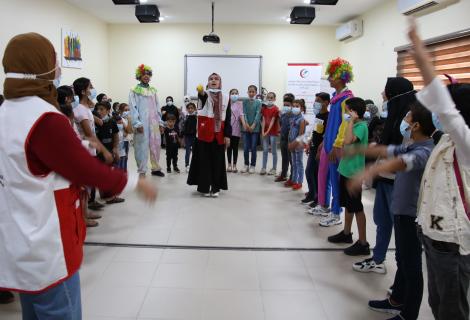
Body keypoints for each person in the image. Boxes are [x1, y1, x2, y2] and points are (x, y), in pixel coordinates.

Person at [0, 32, 157, 320]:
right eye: (52, 60)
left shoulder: (6, 111)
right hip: (48, 246)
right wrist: (134, 182)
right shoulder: (44, 117)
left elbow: (33, 154)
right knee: (60, 310)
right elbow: (82, 169)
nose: (57, 67)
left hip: (18, 242)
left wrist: (81, 144)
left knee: (32, 312)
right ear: (38, 66)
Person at [347, 101, 435, 320]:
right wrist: (358, 149)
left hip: (411, 216)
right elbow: (389, 150)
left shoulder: (425, 151)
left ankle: (408, 313)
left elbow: (402, 163)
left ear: (415, 126)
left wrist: (369, 172)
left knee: (412, 267)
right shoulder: (413, 144)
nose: (403, 121)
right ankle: (396, 300)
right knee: (404, 260)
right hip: (401, 212)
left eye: (407, 118)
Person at [407, 18, 470, 320]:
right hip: (432, 235)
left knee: (451, 309)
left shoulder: (466, 143)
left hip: (452, 242)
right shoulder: (444, 141)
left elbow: (444, 106)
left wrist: (420, 53)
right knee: (436, 302)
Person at [353, 77, 416, 274]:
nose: (382, 95)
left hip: (399, 182)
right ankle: (378, 258)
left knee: (400, 228)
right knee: (382, 221)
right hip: (384, 179)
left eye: (386, 91)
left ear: (395, 93)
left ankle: (402, 277)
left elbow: (407, 152)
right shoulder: (393, 116)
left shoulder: (410, 119)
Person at [313, 58, 354, 227]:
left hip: (336, 148)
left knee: (336, 182)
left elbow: (346, 124)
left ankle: (336, 213)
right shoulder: (335, 97)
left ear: (341, 77)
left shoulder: (347, 99)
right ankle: (330, 208)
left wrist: (337, 145)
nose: (329, 78)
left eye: (332, 75)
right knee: (327, 177)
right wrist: (324, 142)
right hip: (328, 144)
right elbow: (331, 123)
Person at [327, 97, 370, 256]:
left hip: (354, 174)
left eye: (348, 111)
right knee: (348, 205)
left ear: (355, 112)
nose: (345, 113)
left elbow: (348, 140)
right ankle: (346, 233)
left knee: (357, 207)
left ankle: (363, 243)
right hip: (345, 170)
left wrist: (351, 121)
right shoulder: (354, 125)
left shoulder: (361, 126)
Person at [187, 73, 232, 197]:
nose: (213, 80)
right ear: (208, 82)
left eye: (216, 79)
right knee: (204, 161)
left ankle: (216, 188)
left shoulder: (226, 97)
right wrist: (201, 91)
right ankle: (205, 187)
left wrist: (227, 135)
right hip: (204, 133)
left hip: (219, 134)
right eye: (211, 79)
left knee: (217, 162)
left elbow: (228, 117)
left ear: (220, 82)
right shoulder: (204, 94)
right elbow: (202, 97)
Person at [129, 64, 165, 177]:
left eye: (148, 74)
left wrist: (160, 122)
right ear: (139, 75)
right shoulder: (134, 91)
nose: (146, 76)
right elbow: (132, 107)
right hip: (142, 122)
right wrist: (137, 123)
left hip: (154, 122)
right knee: (141, 146)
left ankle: (155, 168)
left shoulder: (153, 91)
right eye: (144, 74)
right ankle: (142, 170)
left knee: (156, 144)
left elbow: (157, 107)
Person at [304, 92, 330, 207]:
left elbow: (327, 134)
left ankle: (318, 198)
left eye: (318, 100)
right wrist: (309, 142)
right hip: (314, 147)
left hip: (321, 150)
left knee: (317, 174)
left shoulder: (328, 117)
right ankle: (312, 193)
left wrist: (321, 147)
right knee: (309, 171)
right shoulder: (318, 115)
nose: (316, 103)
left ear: (326, 102)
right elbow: (316, 132)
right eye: (316, 100)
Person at [241, 85, 262, 173]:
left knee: (253, 148)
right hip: (246, 128)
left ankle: (253, 165)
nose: (251, 93)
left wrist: (253, 125)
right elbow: (244, 113)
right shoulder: (244, 102)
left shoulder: (258, 102)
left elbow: (258, 114)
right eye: (250, 91)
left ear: (256, 93)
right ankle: (246, 164)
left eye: (253, 92)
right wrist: (246, 124)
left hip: (255, 128)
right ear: (247, 92)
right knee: (245, 147)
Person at [287, 100, 306, 190]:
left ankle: (299, 182)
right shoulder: (292, 118)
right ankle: (293, 180)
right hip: (292, 143)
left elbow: (301, 134)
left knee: (299, 163)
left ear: (301, 108)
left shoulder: (301, 120)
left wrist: (295, 144)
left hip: (298, 145)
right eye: (293, 106)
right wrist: (290, 143)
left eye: (297, 106)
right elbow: (291, 131)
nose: (294, 108)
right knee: (294, 163)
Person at [275, 94, 294, 182]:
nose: (286, 107)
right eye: (284, 105)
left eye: (288, 105)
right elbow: (281, 123)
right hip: (283, 139)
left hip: (290, 140)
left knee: (291, 160)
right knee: (284, 158)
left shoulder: (294, 115)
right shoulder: (283, 114)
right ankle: (283, 175)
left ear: (292, 105)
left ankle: (292, 177)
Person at [260, 92, 280, 175]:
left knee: (273, 151)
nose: (269, 99)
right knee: (265, 150)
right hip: (265, 133)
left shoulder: (276, 109)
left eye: (271, 98)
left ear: (274, 99)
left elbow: (272, 122)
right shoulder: (264, 108)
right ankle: (263, 168)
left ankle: (274, 168)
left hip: (273, 133)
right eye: (268, 97)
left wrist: (267, 132)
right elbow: (263, 120)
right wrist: (263, 131)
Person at [227, 88, 244, 173]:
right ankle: (229, 165)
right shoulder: (226, 104)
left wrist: (244, 125)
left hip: (236, 129)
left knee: (235, 148)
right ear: (229, 95)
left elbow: (241, 115)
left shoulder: (240, 104)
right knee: (229, 148)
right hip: (228, 130)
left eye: (236, 93)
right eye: (232, 93)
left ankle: (235, 165)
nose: (234, 95)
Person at [117, 103, 133, 172]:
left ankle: (124, 173)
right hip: (122, 142)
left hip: (126, 140)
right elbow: (129, 131)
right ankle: (122, 175)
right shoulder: (121, 119)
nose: (127, 111)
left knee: (125, 158)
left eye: (128, 110)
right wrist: (129, 120)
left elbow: (130, 131)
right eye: (125, 110)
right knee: (122, 159)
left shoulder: (125, 119)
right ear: (120, 111)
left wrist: (127, 130)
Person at [183, 102, 197, 172]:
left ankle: (194, 165)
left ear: (194, 109)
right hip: (187, 137)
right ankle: (187, 165)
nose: (190, 110)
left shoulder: (196, 117)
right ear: (187, 109)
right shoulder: (186, 117)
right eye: (189, 108)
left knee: (195, 152)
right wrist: (183, 136)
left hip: (194, 136)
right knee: (187, 152)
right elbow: (184, 127)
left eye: (192, 108)